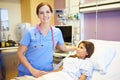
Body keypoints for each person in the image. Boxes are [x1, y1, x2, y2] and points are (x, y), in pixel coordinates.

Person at [17, 2, 77, 78]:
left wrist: (77, 48)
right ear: (38, 15)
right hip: (28, 72)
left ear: (51, 13)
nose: (45, 15)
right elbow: (20, 53)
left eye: (47, 12)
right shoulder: (30, 32)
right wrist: (32, 70)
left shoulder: (57, 32)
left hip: (46, 73)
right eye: (41, 13)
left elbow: (63, 48)